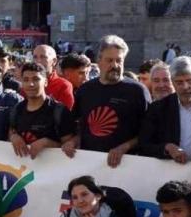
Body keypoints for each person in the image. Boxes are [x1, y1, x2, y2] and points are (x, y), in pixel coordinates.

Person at [63, 36, 149, 168]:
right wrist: (74, 141)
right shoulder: (85, 90)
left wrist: (124, 147)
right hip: (89, 163)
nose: (115, 65)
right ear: (99, 61)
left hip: (127, 165)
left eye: (119, 60)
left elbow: (148, 131)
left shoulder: (137, 91)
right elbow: (79, 125)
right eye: (109, 60)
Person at [9, 63, 74, 159]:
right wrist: (13, 137)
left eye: (36, 79)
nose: (30, 84)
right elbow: (11, 131)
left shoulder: (60, 111)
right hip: (22, 171)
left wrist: (48, 143)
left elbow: (70, 148)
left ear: (46, 82)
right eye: (26, 80)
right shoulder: (16, 109)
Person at [32, 45, 74, 110]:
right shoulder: (28, 84)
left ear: (54, 61)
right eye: (35, 57)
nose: (38, 61)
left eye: (43, 57)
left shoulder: (63, 85)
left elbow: (65, 115)